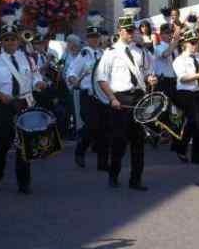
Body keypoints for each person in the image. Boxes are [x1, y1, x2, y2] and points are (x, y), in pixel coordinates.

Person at [96, 13, 158, 190]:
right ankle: (113, 174)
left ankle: (136, 180)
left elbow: (147, 73)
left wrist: (151, 79)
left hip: (138, 97)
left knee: (138, 142)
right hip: (121, 99)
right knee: (119, 141)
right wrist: (112, 98)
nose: (131, 33)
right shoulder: (111, 53)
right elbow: (102, 79)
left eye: (133, 30)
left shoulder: (141, 51)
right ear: (120, 31)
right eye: (128, 30)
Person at [0, 22, 47, 194]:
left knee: (24, 144)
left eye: (13, 39)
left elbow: (35, 76)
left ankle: (24, 182)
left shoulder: (28, 59)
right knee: (2, 143)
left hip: (24, 103)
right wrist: (0, 95)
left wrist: (39, 82)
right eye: (7, 40)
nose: (10, 42)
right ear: (2, 42)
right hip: (5, 105)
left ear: (18, 41)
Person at [67, 25, 107, 170]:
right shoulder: (84, 54)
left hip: (102, 96)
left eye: (97, 37)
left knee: (103, 129)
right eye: (91, 37)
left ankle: (102, 164)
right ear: (87, 39)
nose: (95, 40)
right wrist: (73, 80)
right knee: (91, 126)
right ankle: (80, 150)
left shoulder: (103, 54)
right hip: (88, 96)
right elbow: (71, 72)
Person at [172, 29, 199, 164]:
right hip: (185, 92)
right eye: (192, 43)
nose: (195, 45)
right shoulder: (179, 60)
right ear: (185, 44)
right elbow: (182, 78)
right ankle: (181, 147)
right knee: (193, 121)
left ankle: (198, 156)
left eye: (197, 43)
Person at [154, 23, 183, 146]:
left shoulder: (175, 47)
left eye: (171, 32)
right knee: (163, 109)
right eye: (166, 33)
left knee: (177, 109)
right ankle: (159, 133)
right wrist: (175, 41)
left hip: (174, 81)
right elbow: (166, 54)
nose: (169, 35)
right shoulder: (158, 46)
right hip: (163, 81)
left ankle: (173, 134)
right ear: (161, 35)